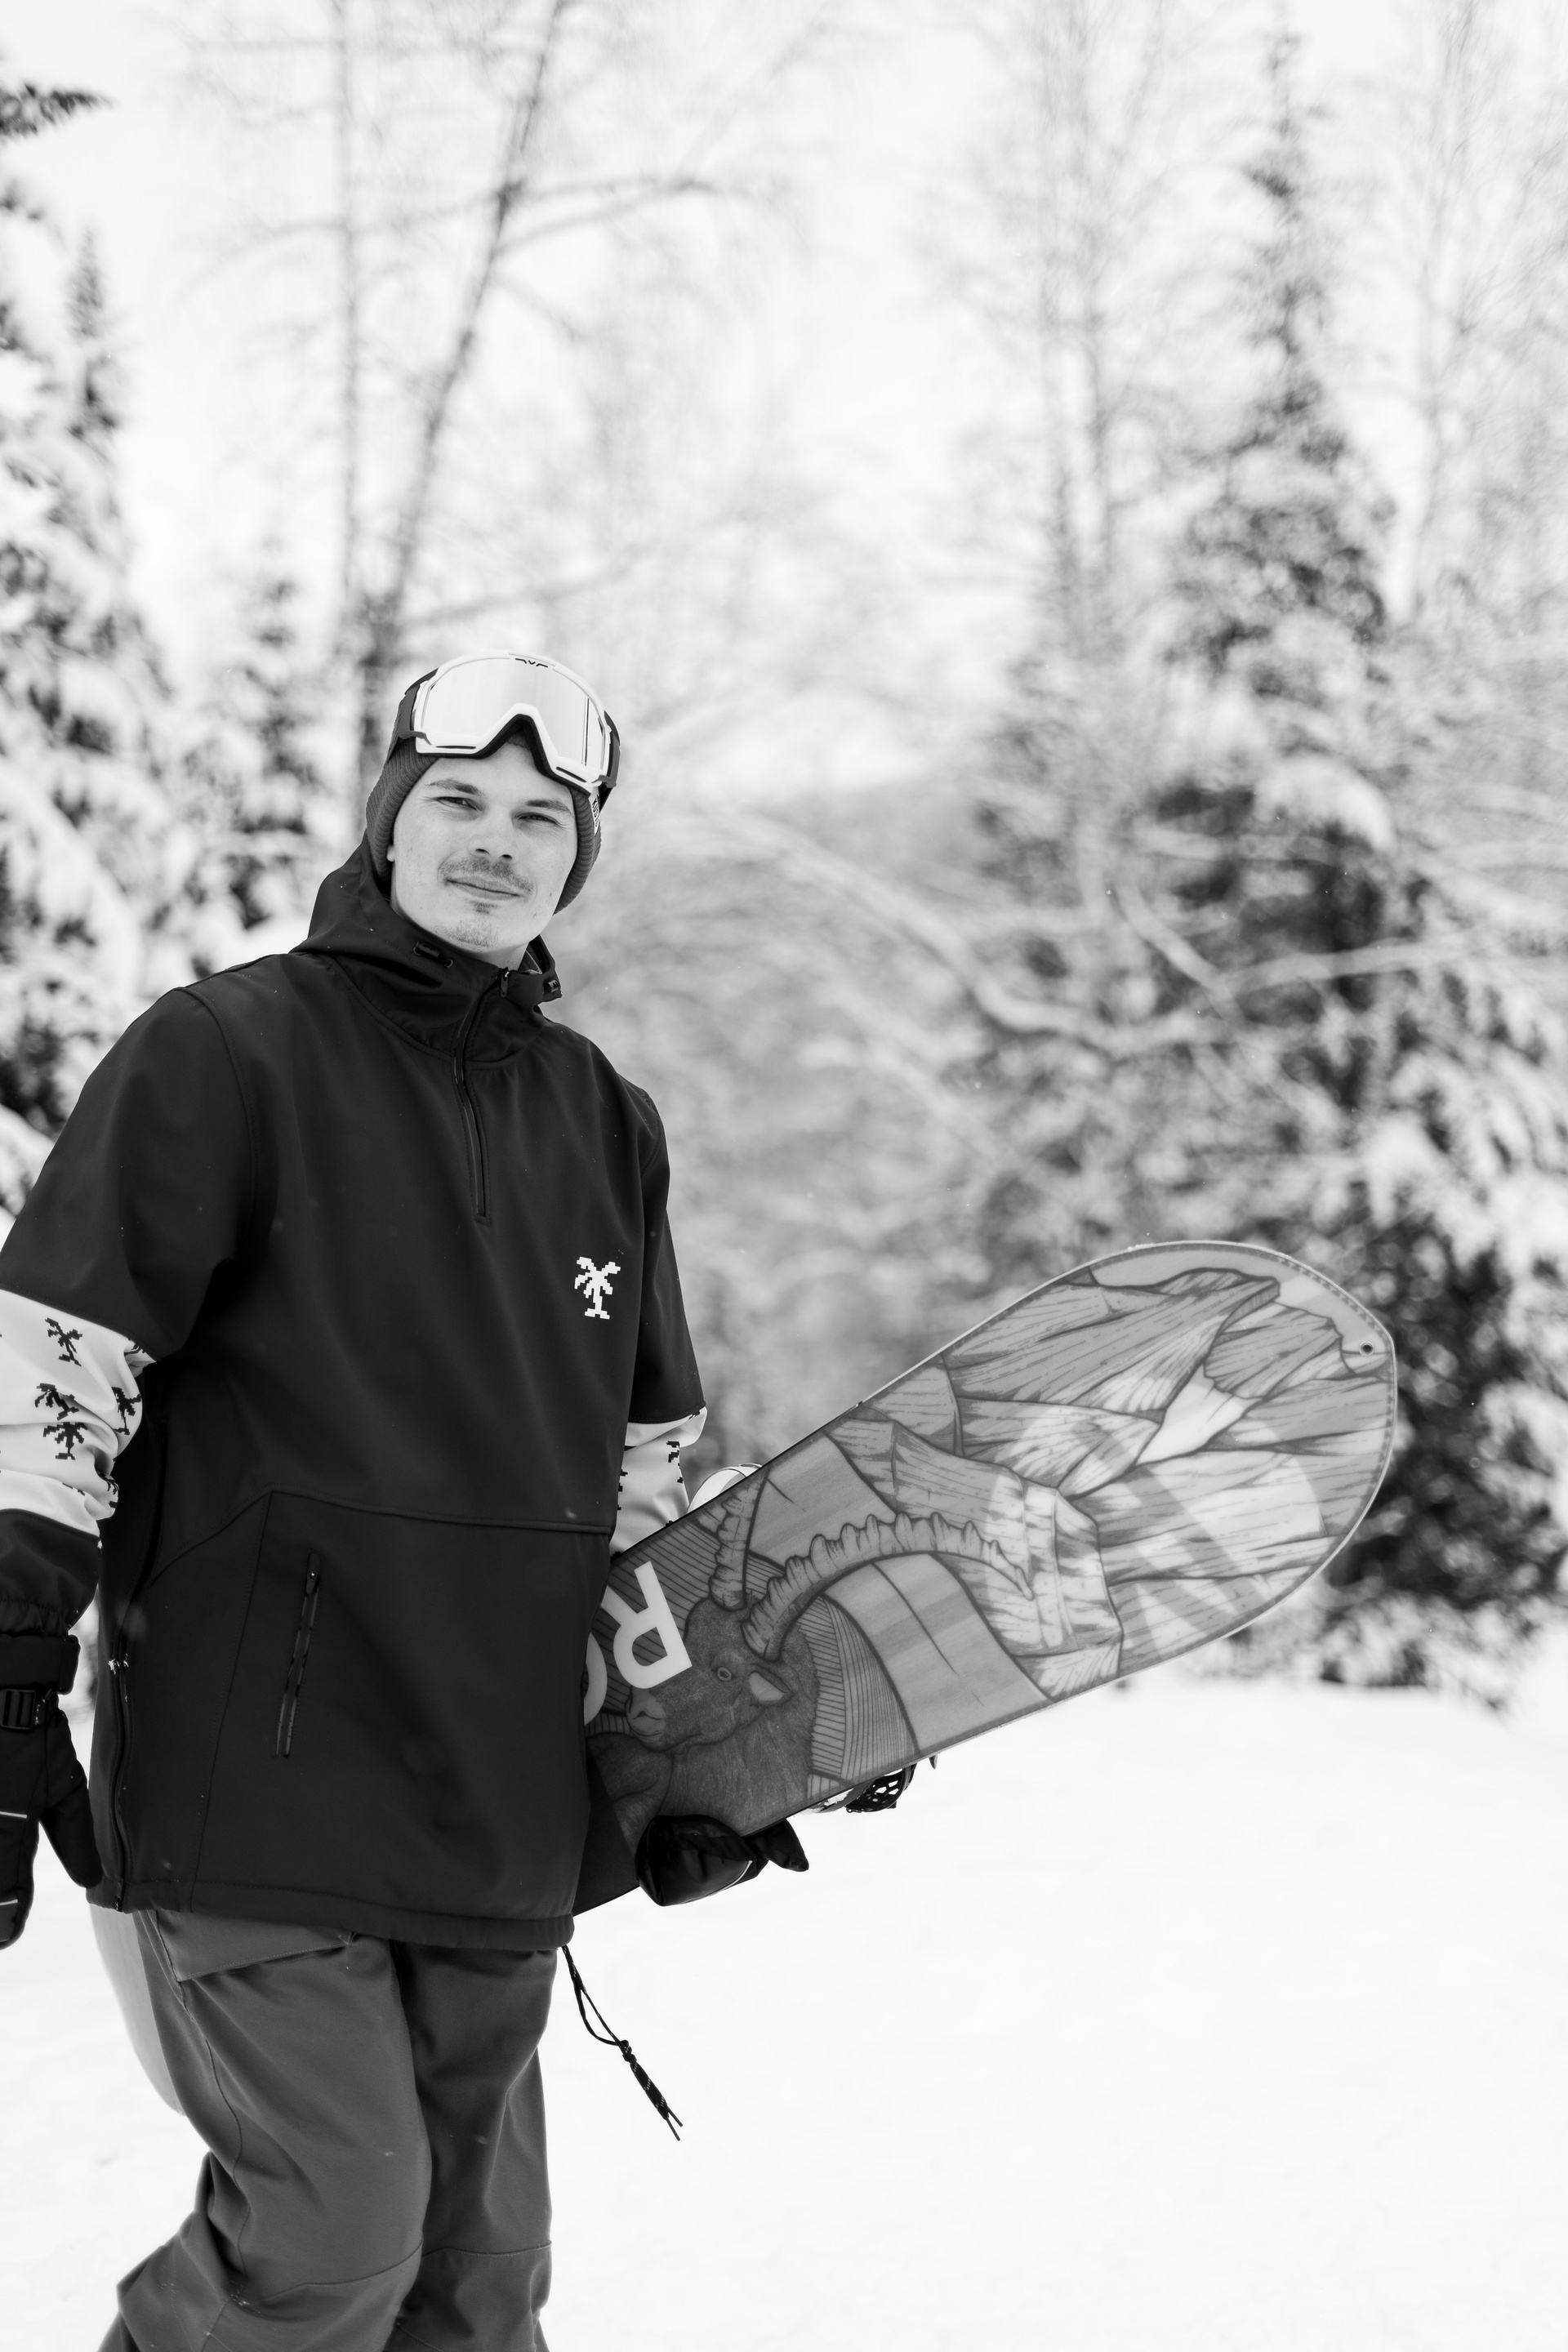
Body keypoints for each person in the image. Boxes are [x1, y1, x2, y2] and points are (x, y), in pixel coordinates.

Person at [0, 652, 710, 2352]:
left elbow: (640, 1473)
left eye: (542, 818)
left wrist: (698, 1733)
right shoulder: (225, 1054)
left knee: (478, 2285)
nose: (496, 841)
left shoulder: (605, 1122)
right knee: (326, 2247)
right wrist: (10, 1661)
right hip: (259, 1773)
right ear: (388, 821)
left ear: (576, 860)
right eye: (457, 800)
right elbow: (55, 1372)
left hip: (496, 1797)